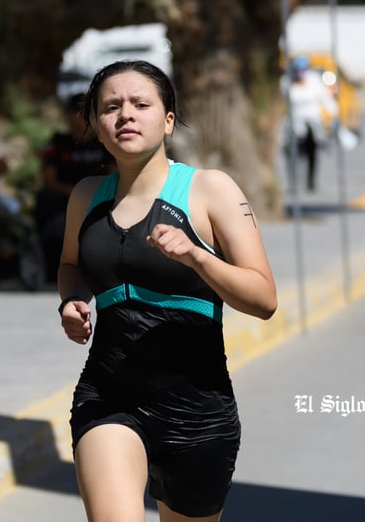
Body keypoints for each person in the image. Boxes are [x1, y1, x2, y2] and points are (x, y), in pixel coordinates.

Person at [58, 60, 277, 522]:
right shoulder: (86, 195)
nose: (126, 116)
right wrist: (72, 300)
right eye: (111, 107)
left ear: (168, 120)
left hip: (198, 411)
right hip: (108, 396)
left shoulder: (210, 189)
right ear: (97, 125)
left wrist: (198, 257)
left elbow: (263, 299)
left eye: (141, 104)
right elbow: (71, 265)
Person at [34, 93, 114, 282]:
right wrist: (76, 194)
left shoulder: (105, 143)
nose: (84, 117)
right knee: (49, 203)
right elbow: (49, 179)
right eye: (78, 112)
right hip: (64, 200)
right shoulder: (58, 143)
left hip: (100, 198)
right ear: (68, 115)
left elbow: (114, 174)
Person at [285, 55, 338, 192]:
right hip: (295, 123)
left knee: (311, 153)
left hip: (312, 124)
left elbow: (326, 99)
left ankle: (310, 180)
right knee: (294, 153)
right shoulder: (287, 82)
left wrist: (333, 115)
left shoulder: (314, 82)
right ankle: (293, 181)